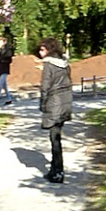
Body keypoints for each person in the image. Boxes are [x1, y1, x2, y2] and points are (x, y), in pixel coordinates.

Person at [38, 38, 73, 183]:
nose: (40, 53)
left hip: (54, 103)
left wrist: (42, 104)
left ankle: (58, 172)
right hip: (65, 102)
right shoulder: (65, 63)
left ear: (49, 50)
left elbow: (45, 86)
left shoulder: (48, 65)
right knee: (56, 137)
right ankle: (54, 170)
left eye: (42, 50)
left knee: (55, 140)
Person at [0, 29, 16, 106]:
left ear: (4, 42)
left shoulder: (7, 50)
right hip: (1, 69)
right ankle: (9, 99)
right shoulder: (1, 51)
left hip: (5, 70)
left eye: (0, 42)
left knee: (0, 85)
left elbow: (9, 60)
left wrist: (3, 61)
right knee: (4, 86)